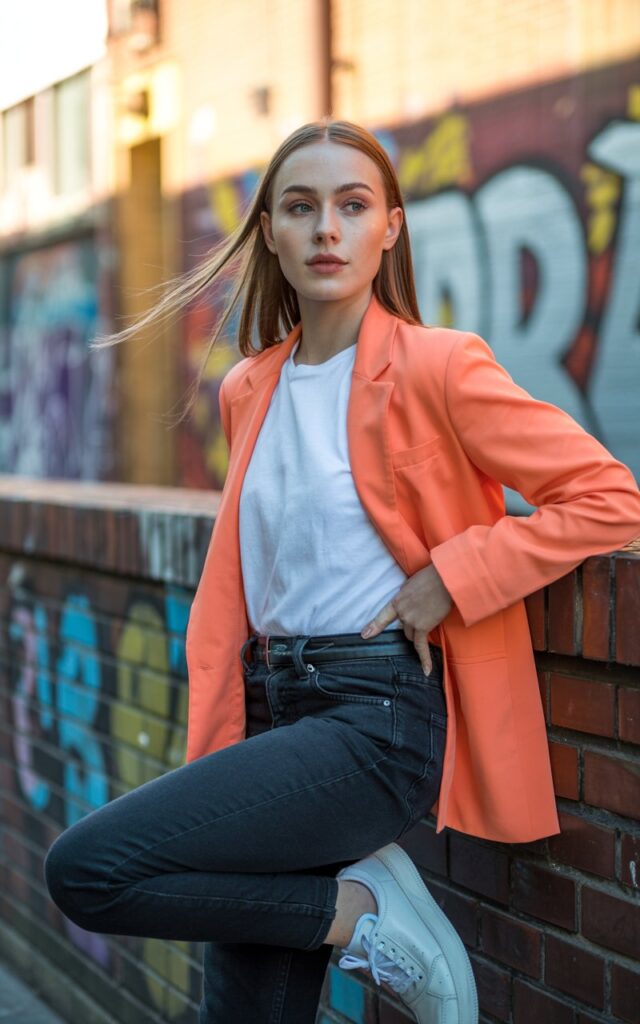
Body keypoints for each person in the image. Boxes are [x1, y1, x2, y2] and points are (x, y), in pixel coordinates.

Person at [44, 118, 640, 1024]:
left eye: (352, 206)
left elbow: (608, 497)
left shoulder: (440, 366)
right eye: (301, 207)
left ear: (390, 228)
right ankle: (344, 917)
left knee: (89, 868)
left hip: (375, 720)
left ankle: (360, 914)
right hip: (273, 714)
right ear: (272, 234)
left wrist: (458, 573)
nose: (327, 228)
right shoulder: (251, 386)